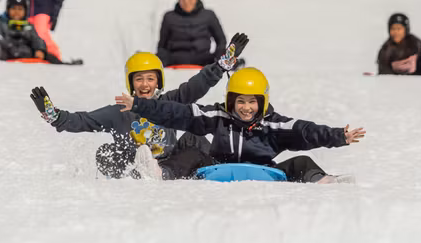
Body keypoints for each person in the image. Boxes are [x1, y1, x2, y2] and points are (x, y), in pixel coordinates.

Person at [30, 33, 250, 178]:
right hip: (135, 165)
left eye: (150, 79)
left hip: (168, 162)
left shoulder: (169, 101)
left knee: (196, 138)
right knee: (105, 152)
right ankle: (139, 175)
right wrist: (55, 116)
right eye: (139, 79)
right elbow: (84, 120)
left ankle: (216, 169)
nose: (145, 84)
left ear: (159, 82)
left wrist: (222, 65)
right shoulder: (120, 111)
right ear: (131, 83)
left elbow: (197, 86)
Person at [114, 67, 366, 183]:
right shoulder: (219, 116)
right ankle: (161, 173)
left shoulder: (274, 125)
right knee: (191, 152)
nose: (245, 108)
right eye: (240, 102)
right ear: (230, 101)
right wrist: (140, 105)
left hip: (266, 171)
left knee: (301, 162)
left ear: (263, 102)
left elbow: (306, 131)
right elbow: (178, 113)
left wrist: (338, 136)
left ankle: (324, 181)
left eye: (252, 102)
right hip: (217, 168)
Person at [156, 0, 227, 67]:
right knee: (153, 59)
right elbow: (162, 45)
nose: (186, 1)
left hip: (203, 58)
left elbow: (221, 41)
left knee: (226, 60)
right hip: (176, 59)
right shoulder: (169, 17)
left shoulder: (209, 15)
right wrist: (163, 59)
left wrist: (219, 57)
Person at [0, 0, 66, 63]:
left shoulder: (28, 26)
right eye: (13, 8)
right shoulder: (1, 23)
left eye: (20, 9)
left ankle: (63, 65)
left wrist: (40, 49)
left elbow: (37, 39)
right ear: (8, 10)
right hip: (7, 53)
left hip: (25, 54)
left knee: (49, 56)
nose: (16, 12)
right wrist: (10, 47)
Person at [376, 13, 421, 77]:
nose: (396, 32)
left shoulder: (418, 47)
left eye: (399, 29)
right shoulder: (385, 50)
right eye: (393, 29)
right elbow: (385, 75)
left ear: (406, 30)